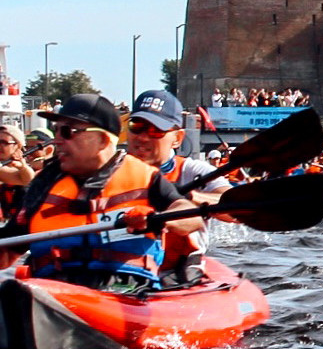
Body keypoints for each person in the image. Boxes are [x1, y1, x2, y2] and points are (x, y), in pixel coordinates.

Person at [0, 93, 201, 292]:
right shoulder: (43, 184)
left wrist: (160, 219)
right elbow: (7, 250)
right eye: (56, 130)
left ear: (103, 140)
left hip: (126, 291)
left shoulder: (147, 178)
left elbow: (191, 217)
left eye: (68, 131)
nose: (57, 140)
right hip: (55, 290)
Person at [125, 89, 220, 205]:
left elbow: (235, 206)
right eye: (136, 126)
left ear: (177, 138)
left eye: (155, 130)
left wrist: (186, 195)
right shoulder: (109, 171)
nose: (142, 138)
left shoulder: (191, 171)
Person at [0, 123, 34, 222]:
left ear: (18, 146)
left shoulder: (27, 168)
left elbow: (26, 180)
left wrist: (23, 167)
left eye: (4, 142)